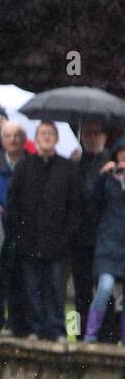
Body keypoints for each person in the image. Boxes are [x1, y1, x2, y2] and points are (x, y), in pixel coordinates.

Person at [5, 121, 81, 340]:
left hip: (57, 243)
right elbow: (14, 204)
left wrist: (67, 236)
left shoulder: (67, 168)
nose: (46, 137)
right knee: (32, 289)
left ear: (56, 139)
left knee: (55, 289)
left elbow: (75, 206)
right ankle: (35, 329)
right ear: (36, 138)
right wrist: (20, 235)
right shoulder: (24, 167)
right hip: (30, 242)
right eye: (42, 133)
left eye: (50, 133)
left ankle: (57, 329)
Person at [0, 120, 30, 336]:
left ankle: (17, 323)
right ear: (2, 140)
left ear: (24, 140)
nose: (13, 140)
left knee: (20, 278)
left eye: (17, 135)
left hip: (22, 228)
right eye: (8, 136)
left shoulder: (31, 164)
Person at [84, 137, 125, 343]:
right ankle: (90, 334)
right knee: (105, 287)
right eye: (122, 152)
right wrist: (102, 176)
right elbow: (91, 202)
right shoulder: (107, 178)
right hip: (107, 244)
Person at [72, 120, 111, 338]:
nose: (91, 138)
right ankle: (76, 332)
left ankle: (106, 334)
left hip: (102, 238)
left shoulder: (109, 163)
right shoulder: (77, 163)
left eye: (96, 134)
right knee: (79, 293)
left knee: (104, 290)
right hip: (79, 238)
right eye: (87, 134)